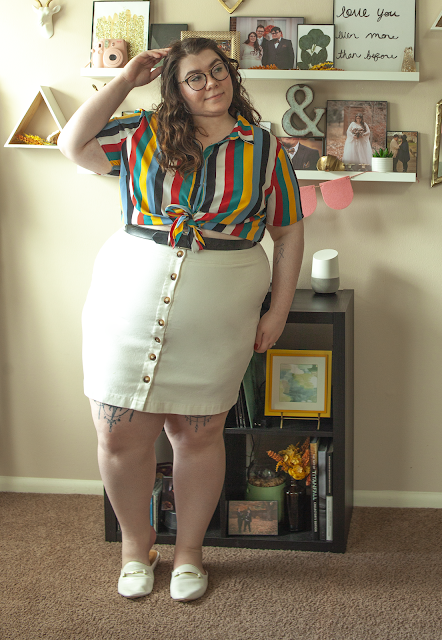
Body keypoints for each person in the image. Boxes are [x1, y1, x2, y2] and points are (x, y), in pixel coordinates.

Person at [57, 38, 304, 601]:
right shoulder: (140, 132)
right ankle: (134, 547)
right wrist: (125, 80)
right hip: (127, 298)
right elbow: (72, 145)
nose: (212, 82)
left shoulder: (264, 148)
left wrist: (279, 309)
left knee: (198, 433)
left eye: (218, 70)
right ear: (174, 85)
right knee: (120, 434)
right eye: (195, 77)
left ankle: (190, 553)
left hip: (220, 311)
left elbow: (288, 231)